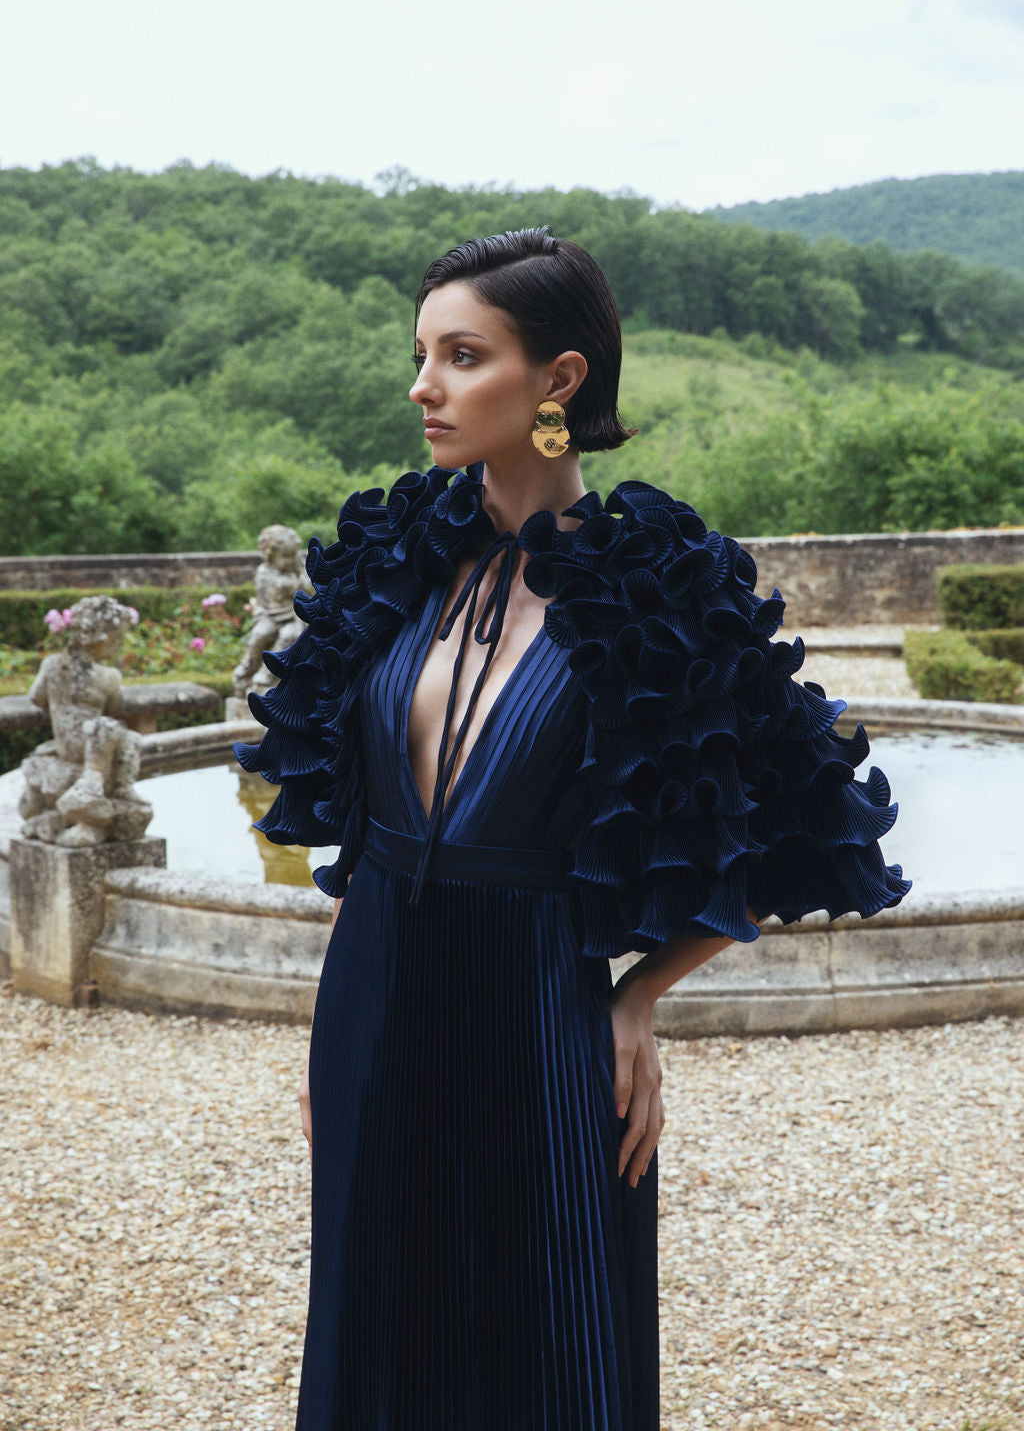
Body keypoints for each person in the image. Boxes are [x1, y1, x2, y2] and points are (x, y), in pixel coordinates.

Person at [236, 228, 910, 1431]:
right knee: (374, 1323)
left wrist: (640, 997)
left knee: (548, 1340)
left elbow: (813, 824)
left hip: (540, 1016)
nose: (422, 386)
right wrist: (329, 1024)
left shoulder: (658, 582)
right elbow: (355, 829)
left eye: (461, 355)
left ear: (557, 381)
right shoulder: (393, 560)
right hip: (372, 1007)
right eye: (420, 354)